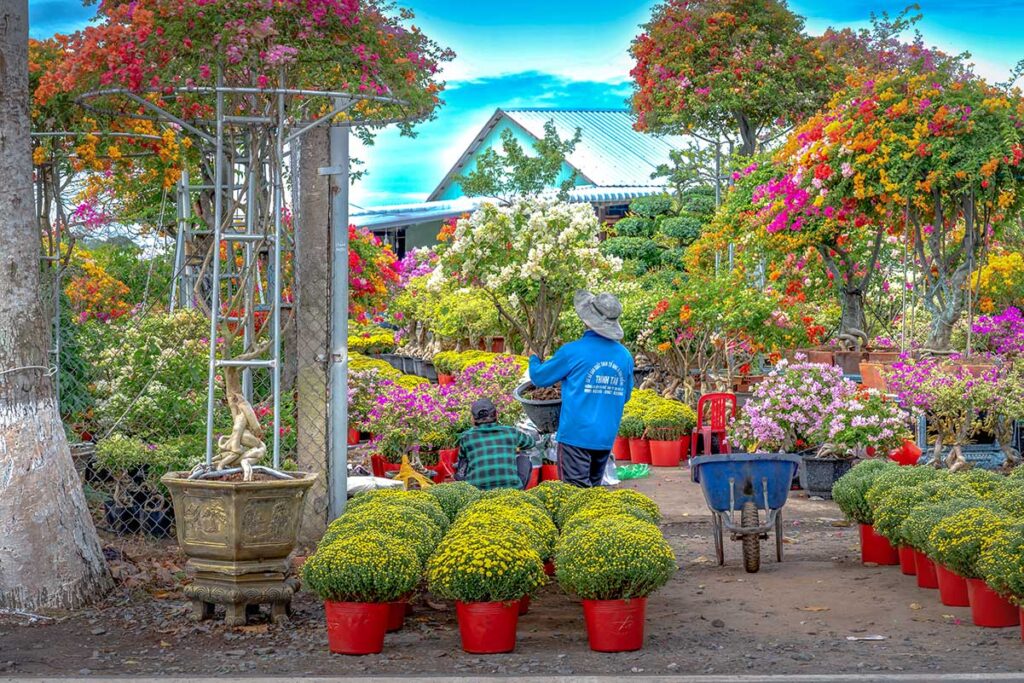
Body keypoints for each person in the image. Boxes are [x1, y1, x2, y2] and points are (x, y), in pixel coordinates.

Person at [528, 290, 634, 487]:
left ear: (587, 319)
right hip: (605, 436)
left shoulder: (572, 351)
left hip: (576, 436)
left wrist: (534, 357)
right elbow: (625, 396)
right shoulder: (624, 356)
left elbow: (540, 377)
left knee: (575, 495)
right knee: (592, 492)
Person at [454, 398, 536, 490]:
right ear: (496, 415)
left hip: (477, 491)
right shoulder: (510, 432)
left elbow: (462, 460)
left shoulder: (466, 437)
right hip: (510, 489)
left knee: (464, 462)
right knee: (523, 459)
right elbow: (531, 443)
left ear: (473, 419)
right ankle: (518, 491)